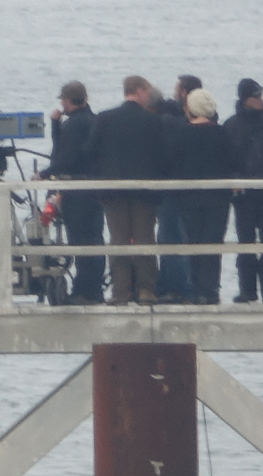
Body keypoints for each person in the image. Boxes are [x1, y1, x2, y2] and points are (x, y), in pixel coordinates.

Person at [83, 75, 169, 305]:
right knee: (144, 239)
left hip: (113, 190)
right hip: (144, 190)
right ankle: (145, 289)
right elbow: (163, 156)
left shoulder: (104, 118)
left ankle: (120, 292)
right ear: (139, 91)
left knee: (118, 240)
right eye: (147, 91)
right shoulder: (153, 122)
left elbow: (90, 152)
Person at [171, 89, 237, 304]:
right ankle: (211, 289)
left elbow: (173, 165)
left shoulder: (180, 133)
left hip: (189, 197)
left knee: (194, 242)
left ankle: (197, 288)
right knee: (213, 243)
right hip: (218, 198)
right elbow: (233, 163)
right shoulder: (222, 133)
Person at [223, 79, 263, 303]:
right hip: (244, 193)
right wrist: (234, 179)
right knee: (246, 242)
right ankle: (247, 290)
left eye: (261, 95)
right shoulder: (231, 125)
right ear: (245, 98)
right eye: (256, 96)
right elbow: (227, 160)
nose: (261, 100)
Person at [46, 80, 103, 305]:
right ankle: (94, 289)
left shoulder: (73, 125)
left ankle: (83, 291)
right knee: (95, 239)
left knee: (79, 240)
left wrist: (44, 174)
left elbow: (63, 157)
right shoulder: (95, 121)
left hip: (76, 191)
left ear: (67, 101)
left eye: (63, 100)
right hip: (95, 189)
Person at [152, 75, 204, 302]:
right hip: (192, 188)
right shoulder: (200, 120)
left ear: (183, 92)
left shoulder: (167, 120)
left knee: (170, 236)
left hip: (171, 187)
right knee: (185, 237)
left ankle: (176, 287)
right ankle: (189, 286)